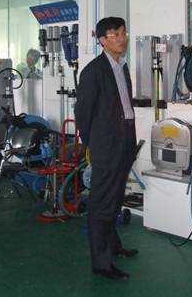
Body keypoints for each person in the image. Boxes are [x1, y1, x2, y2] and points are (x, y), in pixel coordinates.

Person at [75, 17, 138, 281]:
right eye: (116, 34)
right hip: (106, 147)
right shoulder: (93, 71)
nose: (122, 38)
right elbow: (83, 114)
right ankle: (101, 263)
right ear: (102, 40)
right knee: (102, 203)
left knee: (115, 198)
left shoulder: (122, 67)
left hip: (125, 142)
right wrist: (94, 146)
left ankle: (113, 245)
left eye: (123, 33)